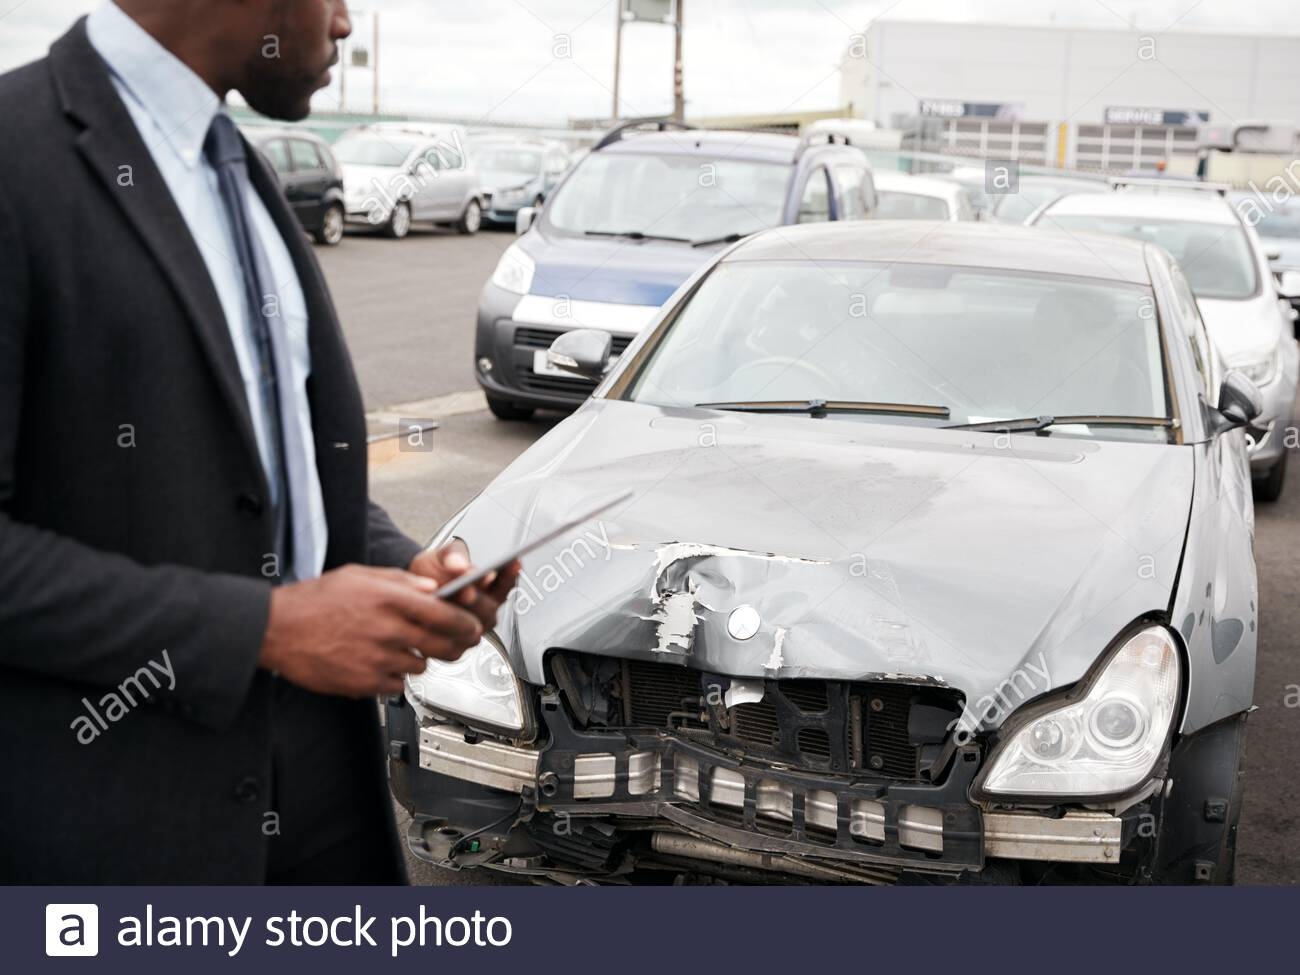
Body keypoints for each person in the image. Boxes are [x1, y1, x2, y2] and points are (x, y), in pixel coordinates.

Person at [0, 0, 519, 883]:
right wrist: (263, 631)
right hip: (121, 831)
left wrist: (402, 569)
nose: (348, 25)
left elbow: (284, 476)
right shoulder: (16, 157)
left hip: (325, 788)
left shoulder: (239, 168)